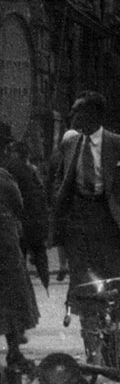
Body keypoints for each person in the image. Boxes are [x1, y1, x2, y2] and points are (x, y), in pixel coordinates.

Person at [48, 92, 120, 321]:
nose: (72, 116)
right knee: (83, 285)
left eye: (78, 111)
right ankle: (90, 338)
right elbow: (60, 177)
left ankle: (118, 333)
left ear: (94, 114)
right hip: (78, 223)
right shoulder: (70, 143)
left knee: (116, 282)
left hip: (109, 222)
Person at [0, 123, 47, 365]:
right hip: (4, 245)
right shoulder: (4, 175)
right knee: (11, 297)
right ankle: (14, 352)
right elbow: (18, 205)